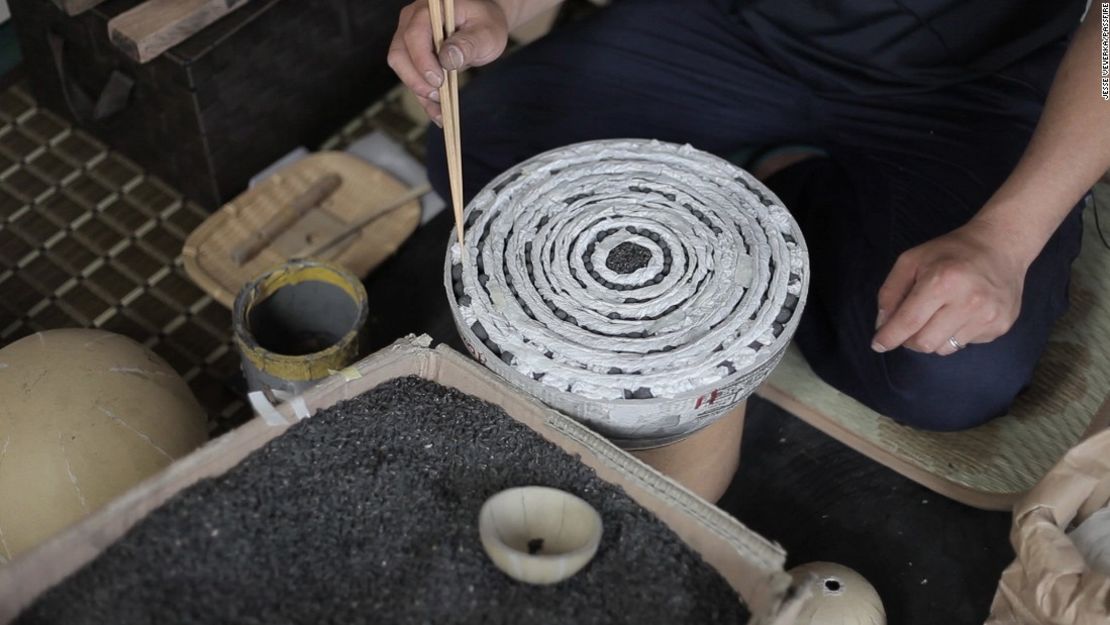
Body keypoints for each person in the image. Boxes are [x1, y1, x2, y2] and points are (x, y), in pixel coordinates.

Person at [388, 0, 1106, 432]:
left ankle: (791, 192)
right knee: (487, 155)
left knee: (950, 371)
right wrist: (496, 8)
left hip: (974, 83)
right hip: (741, 29)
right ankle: (770, 184)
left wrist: (1008, 237)